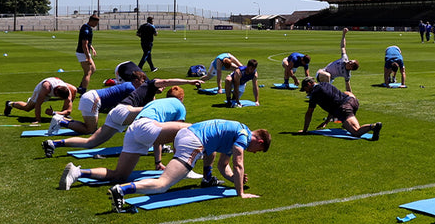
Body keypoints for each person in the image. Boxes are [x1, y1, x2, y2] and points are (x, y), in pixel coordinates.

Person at [105, 120, 272, 213]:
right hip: (193, 142)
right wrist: (241, 192)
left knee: (211, 152)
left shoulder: (237, 132)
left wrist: (235, 179)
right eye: (259, 150)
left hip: (185, 135)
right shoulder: (244, 136)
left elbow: (224, 166)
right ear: (260, 141)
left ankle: (207, 178)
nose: (255, 153)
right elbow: (238, 164)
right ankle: (121, 190)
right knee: (163, 184)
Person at [59, 96, 193, 190]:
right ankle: (185, 169)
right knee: (189, 130)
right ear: (181, 98)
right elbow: (179, 136)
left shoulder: (157, 103)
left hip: (133, 129)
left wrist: (158, 162)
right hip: (147, 127)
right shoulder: (180, 107)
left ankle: (78, 172)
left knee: (120, 175)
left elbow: (156, 137)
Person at [44, 78, 191, 157]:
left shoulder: (152, 98)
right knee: (153, 119)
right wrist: (189, 81)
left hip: (117, 114)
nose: (163, 87)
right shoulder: (149, 86)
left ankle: (54, 143)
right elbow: (166, 81)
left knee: (91, 142)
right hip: (124, 112)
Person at [300, 78, 382, 140]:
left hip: (344, 108)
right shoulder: (325, 84)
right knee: (346, 94)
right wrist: (327, 121)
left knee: (356, 132)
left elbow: (309, 113)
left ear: (308, 84)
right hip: (353, 101)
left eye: (305, 89)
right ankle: (348, 124)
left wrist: (304, 130)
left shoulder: (314, 93)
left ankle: (373, 126)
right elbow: (332, 103)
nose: (306, 92)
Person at [4, 76, 76, 122]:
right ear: (56, 94)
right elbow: (38, 104)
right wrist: (38, 120)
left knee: (74, 89)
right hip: (43, 88)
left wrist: (54, 113)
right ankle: (10, 104)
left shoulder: (68, 92)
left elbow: (68, 111)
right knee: (27, 108)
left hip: (55, 87)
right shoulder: (46, 88)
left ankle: (62, 116)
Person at [76, 15, 99, 94]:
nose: (96, 25)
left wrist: (92, 48)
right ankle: (83, 91)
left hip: (85, 52)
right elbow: (84, 44)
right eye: (96, 23)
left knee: (93, 69)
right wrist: (88, 58)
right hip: (82, 53)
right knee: (88, 72)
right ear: (91, 21)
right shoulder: (86, 29)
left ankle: (80, 88)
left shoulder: (88, 27)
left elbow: (87, 43)